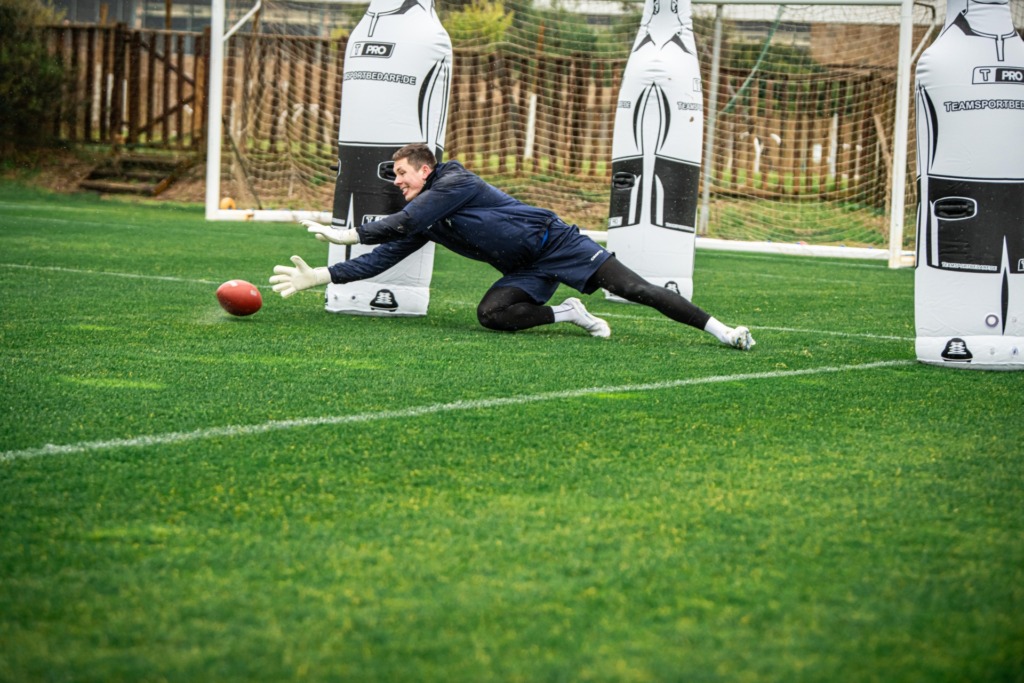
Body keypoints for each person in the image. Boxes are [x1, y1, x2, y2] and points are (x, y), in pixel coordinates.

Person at [270, 143, 755, 349]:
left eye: (401, 173)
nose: (397, 182)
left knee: (637, 290)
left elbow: (405, 220)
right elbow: (384, 255)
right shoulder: (424, 216)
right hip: (526, 268)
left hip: (558, 243)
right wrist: (322, 276)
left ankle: (724, 331)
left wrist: (351, 233)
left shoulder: (454, 180)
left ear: (426, 169)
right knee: (492, 315)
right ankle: (567, 313)